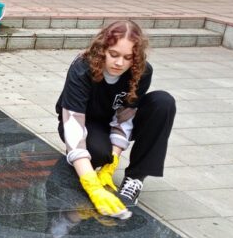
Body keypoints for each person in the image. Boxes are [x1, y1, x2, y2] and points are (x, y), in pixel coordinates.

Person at [56, 20, 176, 218]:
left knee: (163, 102)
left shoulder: (142, 71)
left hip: (115, 121)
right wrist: (93, 187)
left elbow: (125, 117)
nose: (120, 63)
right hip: (84, 121)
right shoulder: (82, 68)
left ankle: (134, 179)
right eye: (114, 54)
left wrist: (112, 163)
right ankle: (86, 164)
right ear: (102, 49)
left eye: (128, 57)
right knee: (97, 153)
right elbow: (73, 125)